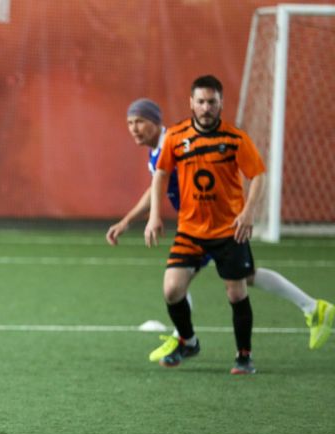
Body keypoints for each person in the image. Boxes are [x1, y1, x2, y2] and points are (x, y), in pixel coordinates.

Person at [109, 98, 334, 360]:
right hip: (199, 225)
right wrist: (127, 221)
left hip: (214, 224)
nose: (134, 128)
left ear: (156, 121)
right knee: (233, 278)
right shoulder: (159, 150)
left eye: (140, 121)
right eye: (130, 123)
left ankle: (187, 340)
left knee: (185, 282)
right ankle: (312, 308)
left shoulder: (177, 142)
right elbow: (156, 188)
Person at [143, 75, 267, 374]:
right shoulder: (176, 136)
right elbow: (161, 174)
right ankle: (188, 341)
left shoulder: (235, 139)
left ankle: (244, 356)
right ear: (191, 103)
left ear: (221, 103)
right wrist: (154, 215)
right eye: (201, 101)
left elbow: (258, 175)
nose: (206, 107)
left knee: (236, 293)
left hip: (229, 230)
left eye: (212, 102)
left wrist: (248, 212)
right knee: (172, 290)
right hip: (190, 230)